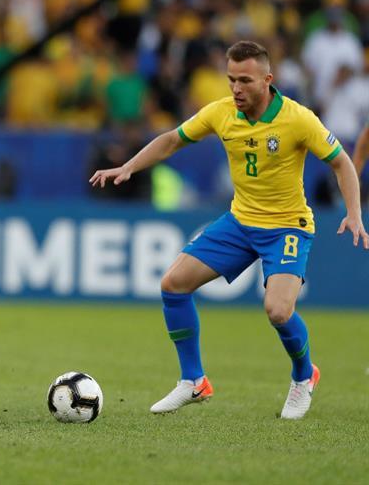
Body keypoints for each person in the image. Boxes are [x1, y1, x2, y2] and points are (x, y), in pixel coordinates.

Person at [90, 40, 369, 420]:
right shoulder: (220, 113)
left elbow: (341, 164)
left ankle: (304, 376)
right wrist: (128, 167)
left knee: (278, 311)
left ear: (268, 80)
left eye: (245, 81)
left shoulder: (298, 118)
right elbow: (172, 140)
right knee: (173, 284)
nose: (236, 89)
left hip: (287, 226)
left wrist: (353, 213)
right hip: (240, 222)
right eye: (231, 80)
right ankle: (194, 380)